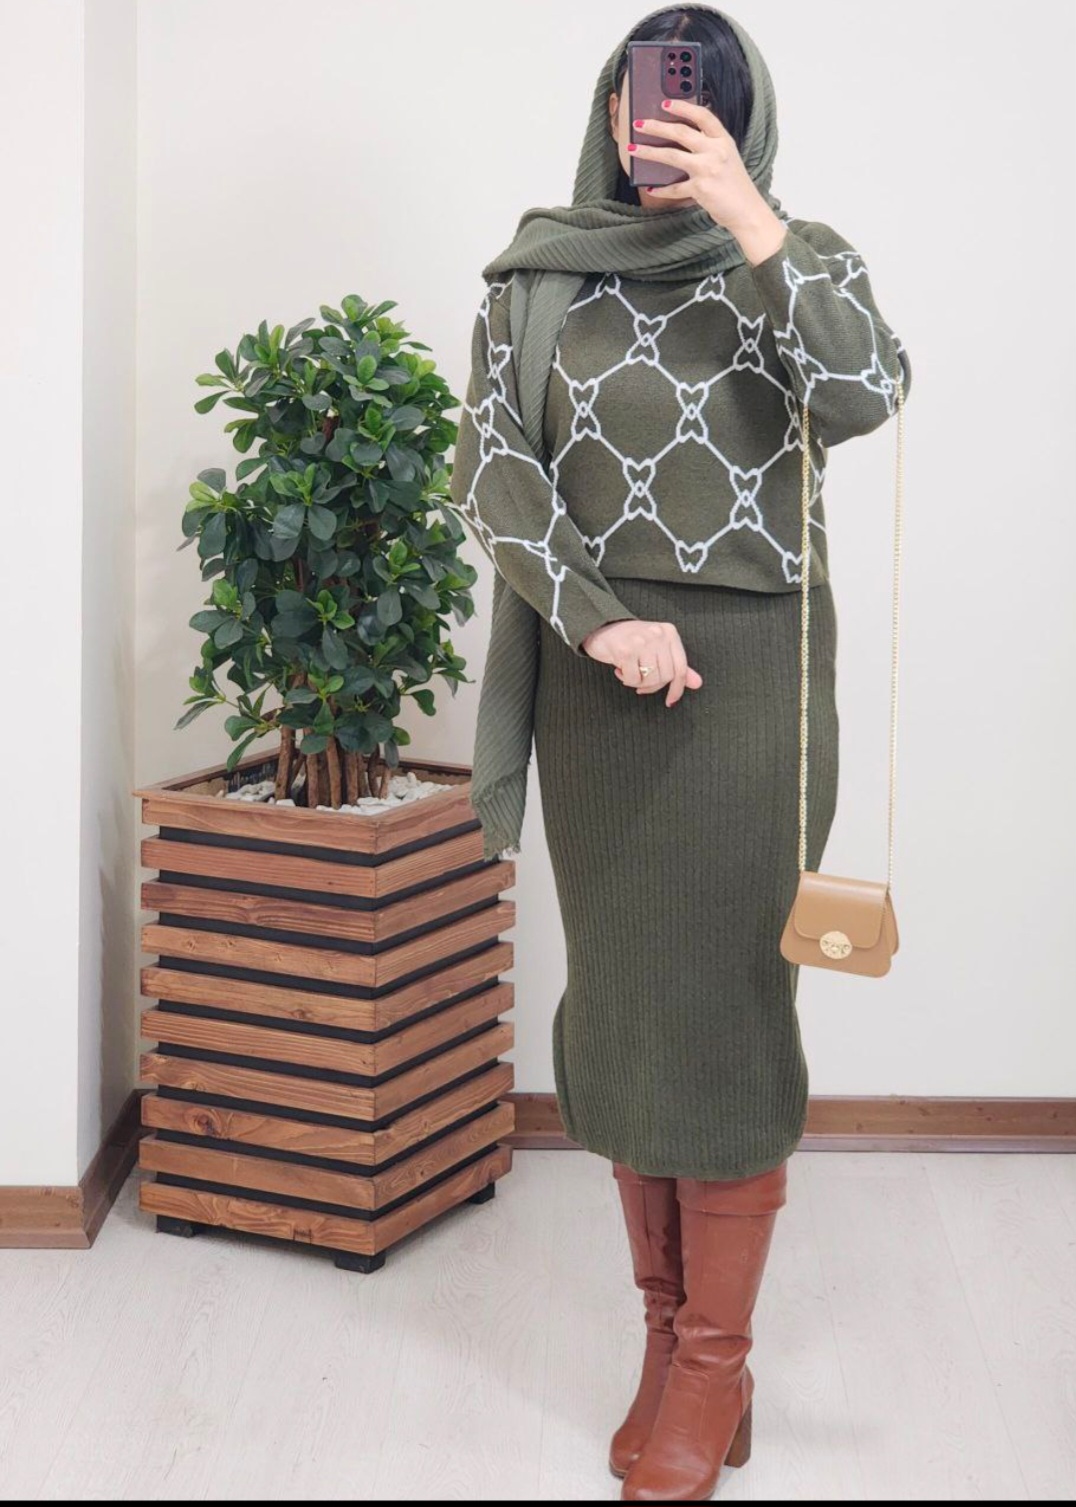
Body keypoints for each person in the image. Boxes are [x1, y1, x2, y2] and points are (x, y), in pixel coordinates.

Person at [449, 4, 911, 1500]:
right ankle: (665, 1339)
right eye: (646, 91)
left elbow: (869, 392)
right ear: (610, 109)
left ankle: (716, 1364)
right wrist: (597, 624)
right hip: (598, 685)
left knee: (723, 1011)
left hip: (751, 692)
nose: (665, 116)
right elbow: (495, 471)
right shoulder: (540, 276)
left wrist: (751, 222)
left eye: (699, 94)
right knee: (626, 1011)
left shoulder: (799, 258)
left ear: (742, 114)